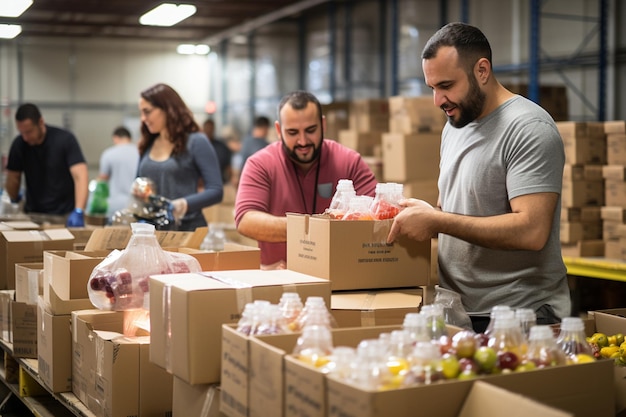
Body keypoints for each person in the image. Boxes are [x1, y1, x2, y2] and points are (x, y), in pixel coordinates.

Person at [387, 22, 570, 333]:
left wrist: (439, 222)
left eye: (446, 85)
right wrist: (430, 215)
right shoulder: (455, 126)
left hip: (520, 318)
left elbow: (532, 230)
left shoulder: (528, 128)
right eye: (432, 88)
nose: (438, 100)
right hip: (460, 313)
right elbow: (459, 215)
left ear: (482, 70)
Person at [235, 90, 378, 269]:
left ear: (323, 124)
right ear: (279, 131)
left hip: (341, 272)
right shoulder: (260, 164)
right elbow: (245, 219)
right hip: (279, 275)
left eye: (310, 130)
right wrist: (308, 228)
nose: (303, 141)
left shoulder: (349, 161)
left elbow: (377, 216)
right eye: (293, 132)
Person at [137, 83, 223, 231]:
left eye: (147, 112)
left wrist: (183, 204)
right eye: (141, 113)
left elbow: (216, 190)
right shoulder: (148, 143)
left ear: (167, 109)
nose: (143, 118)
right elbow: (139, 183)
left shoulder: (196, 142)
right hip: (152, 232)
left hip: (186, 230)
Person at [4, 103, 88, 227]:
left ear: (41, 122)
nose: (25, 137)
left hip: (63, 217)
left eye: (29, 131)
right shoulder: (19, 145)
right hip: (33, 216)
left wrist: (79, 210)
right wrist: (13, 198)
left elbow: (80, 176)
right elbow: (13, 178)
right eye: (22, 132)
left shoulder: (65, 140)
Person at [97, 126, 139, 218]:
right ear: (129, 138)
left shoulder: (108, 154)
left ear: (115, 138)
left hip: (114, 205)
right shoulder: (140, 152)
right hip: (136, 205)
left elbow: (102, 180)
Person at [203, 118, 233, 184]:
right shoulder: (198, 147)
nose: (208, 130)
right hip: (202, 184)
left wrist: (230, 181)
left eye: (210, 128)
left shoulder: (221, 147)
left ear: (214, 129)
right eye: (207, 128)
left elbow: (228, 168)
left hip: (220, 182)